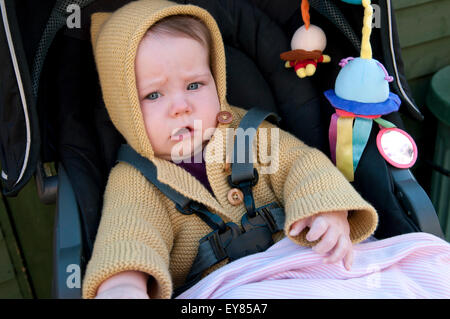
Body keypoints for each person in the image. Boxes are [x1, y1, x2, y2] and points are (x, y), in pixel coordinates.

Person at [82, 0, 379, 299]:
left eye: (194, 85)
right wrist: (124, 285)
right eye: (154, 94)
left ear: (216, 78)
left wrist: (329, 210)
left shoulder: (248, 133)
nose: (181, 107)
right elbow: (130, 234)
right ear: (123, 107)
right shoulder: (137, 180)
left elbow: (302, 164)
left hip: (304, 268)